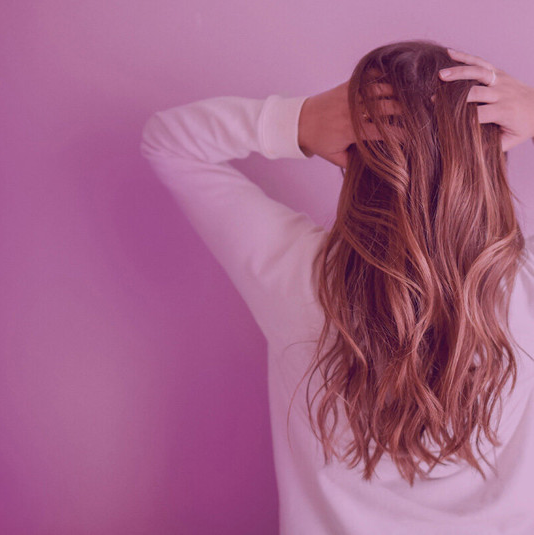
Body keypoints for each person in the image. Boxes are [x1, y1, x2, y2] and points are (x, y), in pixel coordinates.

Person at [140, 40, 534, 534]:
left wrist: (299, 120)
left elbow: (169, 141)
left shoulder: (299, 278)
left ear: (356, 152)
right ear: (486, 158)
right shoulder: (524, 286)